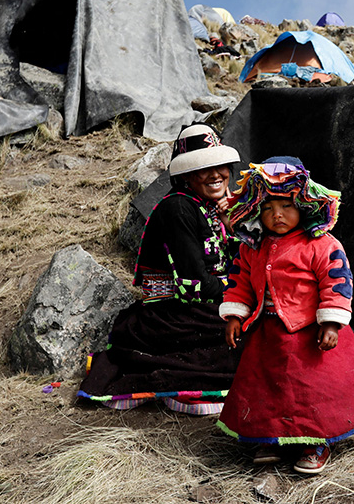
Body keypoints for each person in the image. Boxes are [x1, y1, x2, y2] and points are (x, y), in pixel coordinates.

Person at [217, 157, 354, 474]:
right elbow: (239, 282)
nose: (276, 215)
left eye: (285, 206)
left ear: (304, 207)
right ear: (256, 211)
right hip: (267, 333)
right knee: (268, 387)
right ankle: (271, 438)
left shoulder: (321, 245)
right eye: (267, 208)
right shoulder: (251, 247)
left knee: (312, 390)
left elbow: (337, 283)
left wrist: (332, 322)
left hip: (310, 333)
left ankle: (316, 442)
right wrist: (235, 316)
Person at [77, 124, 241, 414]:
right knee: (247, 336)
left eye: (220, 166)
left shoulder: (211, 209)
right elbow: (195, 286)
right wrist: (241, 297)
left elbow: (236, 264)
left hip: (205, 304)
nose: (216, 175)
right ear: (186, 176)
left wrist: (232, 226)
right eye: (203, 168)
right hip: (174, 313)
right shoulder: (178, 209)